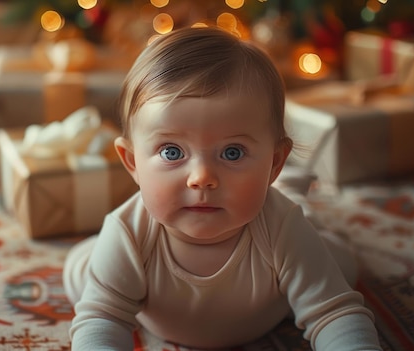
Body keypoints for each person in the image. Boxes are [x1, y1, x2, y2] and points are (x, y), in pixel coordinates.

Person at [62, 26, 381, 350]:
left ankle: (291, 190)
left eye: (232, 153)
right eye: (172, 152)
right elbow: (102, 320)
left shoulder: (282, 226)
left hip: (274, 290)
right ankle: (281, 183)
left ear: (273, 162)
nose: (201, 177)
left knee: (343, 265)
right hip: (129, 274)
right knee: (81, 277)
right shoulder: (128, 233)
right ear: (132, 162)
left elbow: (335, 313)